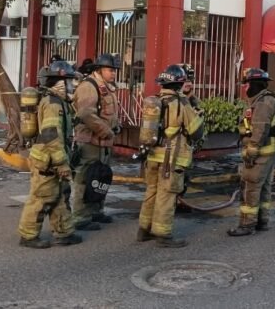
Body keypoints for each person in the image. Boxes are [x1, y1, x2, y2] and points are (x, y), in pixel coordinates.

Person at [137, 64, 204, 248]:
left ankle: (144, 230)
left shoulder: (156, 101)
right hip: (172, 158)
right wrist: (199, 115)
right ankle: (163, 234)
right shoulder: (181, 103)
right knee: (166, 196)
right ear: (179, 84)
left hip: (152, 156)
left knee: (151, 192)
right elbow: (196, 132)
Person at [17, 61, 82, 249]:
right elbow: (52, 136)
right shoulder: (53, 104)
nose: (72, 85)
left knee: (59, 195)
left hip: (52, 157)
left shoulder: (59, 101)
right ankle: (28, 236)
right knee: (41, 198)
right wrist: (62, 163)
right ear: (59, 83)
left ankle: (64, 233)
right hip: (47, 160)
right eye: (69, 81)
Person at [71, 53, 122, 231]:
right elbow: (86, 114)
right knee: (84, 179)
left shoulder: (107, 87)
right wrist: (106, 131)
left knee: (100, 178)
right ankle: (80, 217)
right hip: (90, 142)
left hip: (103, 143)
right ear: (99, 70)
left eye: (114, 70)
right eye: (110, 69)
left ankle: (96, 211)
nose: (113, 73)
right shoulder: (89, 86)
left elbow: (108, 113)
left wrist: (115, 126)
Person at [228, 68, 275, 237]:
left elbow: (260, 129)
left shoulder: (263, 103)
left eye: (246, 84)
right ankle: (261, 221)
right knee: (263, 187)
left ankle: (247, 224)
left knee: (250, 187)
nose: (245, 88)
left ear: (254, 84)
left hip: (260, 152)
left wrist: (251, 151)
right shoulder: (262, 100)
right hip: (267, 151)